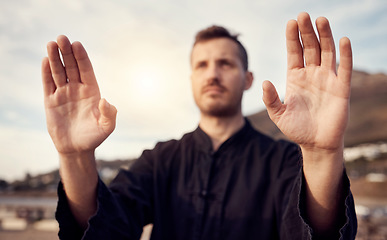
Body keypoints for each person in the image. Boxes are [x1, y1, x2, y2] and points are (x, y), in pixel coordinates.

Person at [41, 12, 357, 239]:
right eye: (202, 65)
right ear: (192, 79)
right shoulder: (159, 160)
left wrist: (320, 154)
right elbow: (107, 229)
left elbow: (314, 233)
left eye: (225, 63)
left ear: (247, 79)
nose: (212, 74)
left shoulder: (284, 161)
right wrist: (74, 156)